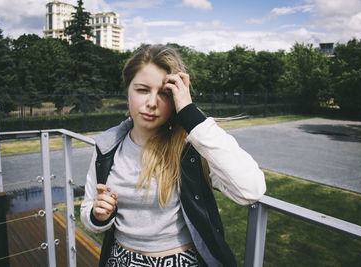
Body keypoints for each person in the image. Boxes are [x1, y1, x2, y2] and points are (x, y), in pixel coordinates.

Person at [81, 44, 266, 267]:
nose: (151, 103)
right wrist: (99, 216)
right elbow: (88, 213)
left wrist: (190, 114)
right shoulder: (107, 147)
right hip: (119, 260)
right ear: (127, 91)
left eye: (164, 93)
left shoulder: (190, 150)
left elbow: (251, 189)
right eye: (142, 90)